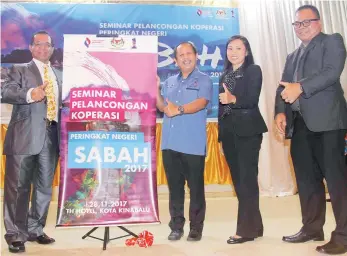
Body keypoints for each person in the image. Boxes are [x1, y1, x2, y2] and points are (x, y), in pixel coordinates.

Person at [274, 5, 347, 255]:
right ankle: (312, 228)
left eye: (307, 22)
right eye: (298, 24)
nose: (302, 27)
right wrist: (280, 112)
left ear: (319, 22)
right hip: (300, 124)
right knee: (307, 180)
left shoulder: (332, 41)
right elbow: (282, 86)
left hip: (328, 123)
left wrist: (300, 88)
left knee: (337, 181)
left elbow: (331, 73)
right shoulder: (292, 56)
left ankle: (344, 236)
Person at [1, 30, 61, 253]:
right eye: (38, 44)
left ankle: (35, 229)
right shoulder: (20, 69)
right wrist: (29, 94)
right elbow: (5, 91)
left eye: (47, 45)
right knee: (18, 188)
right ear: (31, 47)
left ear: (52, 49)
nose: (43, 48)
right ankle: (15, 234)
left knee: (44, 187)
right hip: (24, 136)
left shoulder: (58, 74)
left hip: (51, 136)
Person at [156, 42, 212, 242]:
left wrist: (178, 109)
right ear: (175, 60)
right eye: (181, 55)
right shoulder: (169, 81)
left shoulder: (204, 80)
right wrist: (155, 89)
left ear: (196, 56)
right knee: (175, 188)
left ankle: (196, 228)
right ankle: (176, 226)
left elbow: (201, 102)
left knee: (196, 188)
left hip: (192, 144)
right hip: (169, 143)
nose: (186, 57)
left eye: (189, 53)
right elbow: (162, 106)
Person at [218, 35, 267, 244]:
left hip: (248, 131)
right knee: (239, 182)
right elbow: (222, 108)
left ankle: (245, 230)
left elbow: (251, 99)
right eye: (230, 48)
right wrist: (221, 138)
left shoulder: (253, 70)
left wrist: (233, 99)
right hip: (229, 134)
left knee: (247, 180)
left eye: (238, 48)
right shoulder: (225, 74)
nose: (234, 52)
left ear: (246, 52)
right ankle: (255, 226)